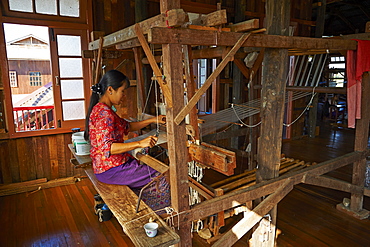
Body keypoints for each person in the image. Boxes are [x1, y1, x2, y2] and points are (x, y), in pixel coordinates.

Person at [84, 69, 170, 212]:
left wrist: (154, 119)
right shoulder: (105, 114)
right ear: (110, 89)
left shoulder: (102, 109)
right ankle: (160, 213)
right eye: (122, 91)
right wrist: (139, 143)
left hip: (107, 167)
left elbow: (127, 126)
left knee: (151, 170)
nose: (124, 96)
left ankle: (145, 208)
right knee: (161, 176)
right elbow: (108, 148)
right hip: (110, 170)